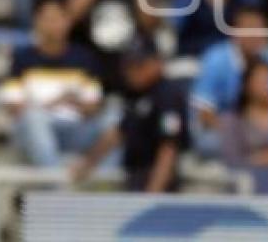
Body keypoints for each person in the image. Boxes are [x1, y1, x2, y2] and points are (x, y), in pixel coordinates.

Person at [72, 34, 190, 192]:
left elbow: (168, 148)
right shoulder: (136, 94)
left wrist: (153, 193)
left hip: (155, 180)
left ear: (156, 62)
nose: (131, 72)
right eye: (129, 65)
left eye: (138, 65)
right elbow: (119, 132)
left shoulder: (167, 95)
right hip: (134, 176)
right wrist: (88, 163)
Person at [1, 0, 108, 167]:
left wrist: (51, 105)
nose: (53, 25)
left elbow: (92, 106)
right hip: (34, 130)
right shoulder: (21, 59)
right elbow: (14, 107)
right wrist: (57, 102)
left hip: (74, 129)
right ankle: (56, 186)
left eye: (58, 18)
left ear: (68, 22)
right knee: (33, 119)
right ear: (37, 22)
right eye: (47, 19)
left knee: (114, 121)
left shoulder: (84, 58)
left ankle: (108, 187)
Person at [191, 6, 268, 158]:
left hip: (257, 125)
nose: (256, 35)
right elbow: (202, 111)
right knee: (211, 141)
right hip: (223, 126)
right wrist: (235, 133)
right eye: (250, 29)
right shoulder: (216, 60)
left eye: (261, 29)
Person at [217, 59, 268, 168]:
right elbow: (232, 161)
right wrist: (264, 159)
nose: (267, 86)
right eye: (261, 81)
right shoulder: (232, 121)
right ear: (246, 85)